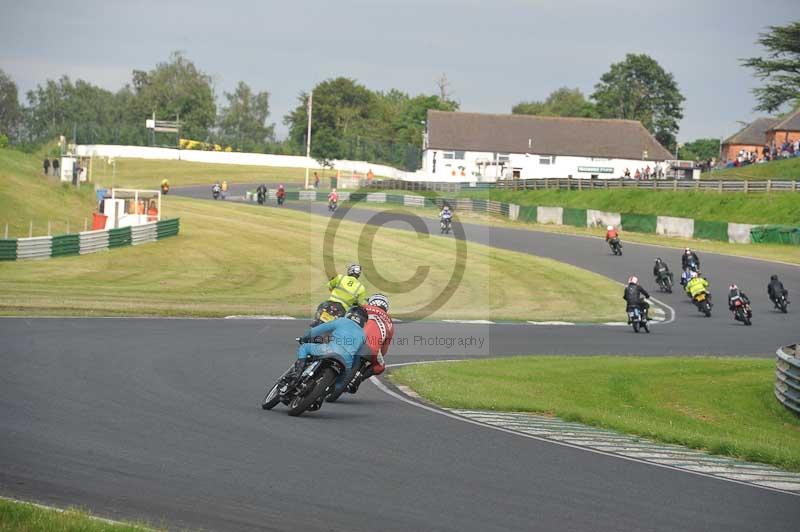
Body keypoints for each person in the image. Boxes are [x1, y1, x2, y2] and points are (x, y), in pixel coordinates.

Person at [292, 307, 369, 408]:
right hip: (346, 362)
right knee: (339, 383)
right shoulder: (363, 335)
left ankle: (296, 375)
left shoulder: (342, 321)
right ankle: (322, 395)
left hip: (329, 350)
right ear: (364, 322)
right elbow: (357, 359)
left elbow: (318, 330)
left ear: (349, 314)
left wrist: (306, 337)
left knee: (305, 348)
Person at [348, 294, 394, 394]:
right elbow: (385, 348)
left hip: (350, 339)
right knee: (380, 366)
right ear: (386, 306)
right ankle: (359, 377)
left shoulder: (363, 307)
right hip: (372, 348)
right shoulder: (389, 322)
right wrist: (378, 352)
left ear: (371, 302)